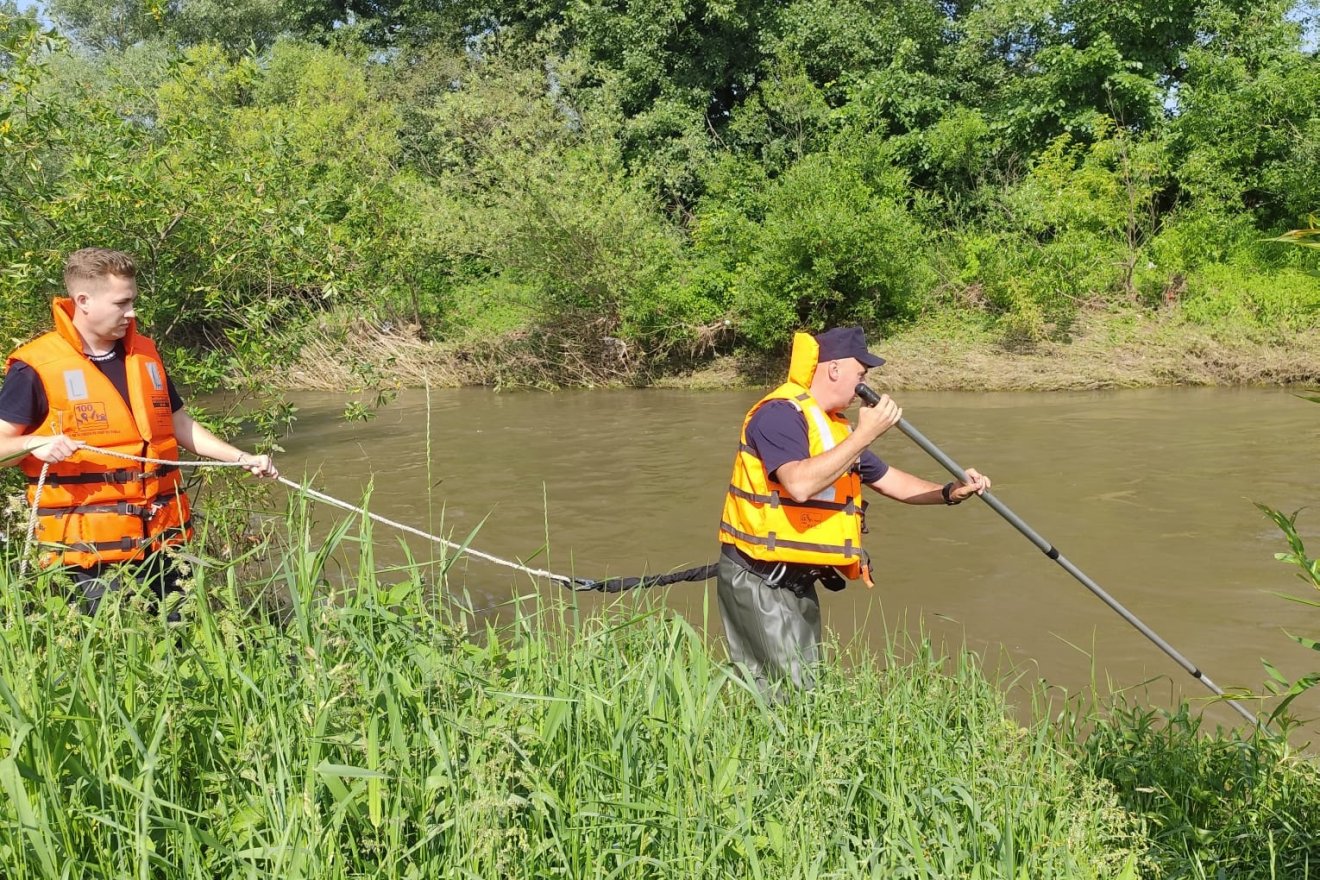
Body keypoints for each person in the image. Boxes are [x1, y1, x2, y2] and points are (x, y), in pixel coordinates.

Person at [0, 247, 278, 616]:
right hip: (89, 555)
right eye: (121, 303)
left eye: (132, 301)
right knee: (113, 646)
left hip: (163, 541)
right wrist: (35, 443)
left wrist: (241, 457)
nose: (131, 312)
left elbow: (179, 424)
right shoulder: (36, 366)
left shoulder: (145, 354)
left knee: (179, 637)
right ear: (83, 301)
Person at [717, 326, 991, 691]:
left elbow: (891, 481)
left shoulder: (834, 430)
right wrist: (866, 434)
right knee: (786, 693)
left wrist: (949, 491)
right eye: (861, 375)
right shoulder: (780, 414)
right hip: (760, 579)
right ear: (834, 369)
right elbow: (799, 484)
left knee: (805, 687)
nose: (864, 385)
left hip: (797, 582)